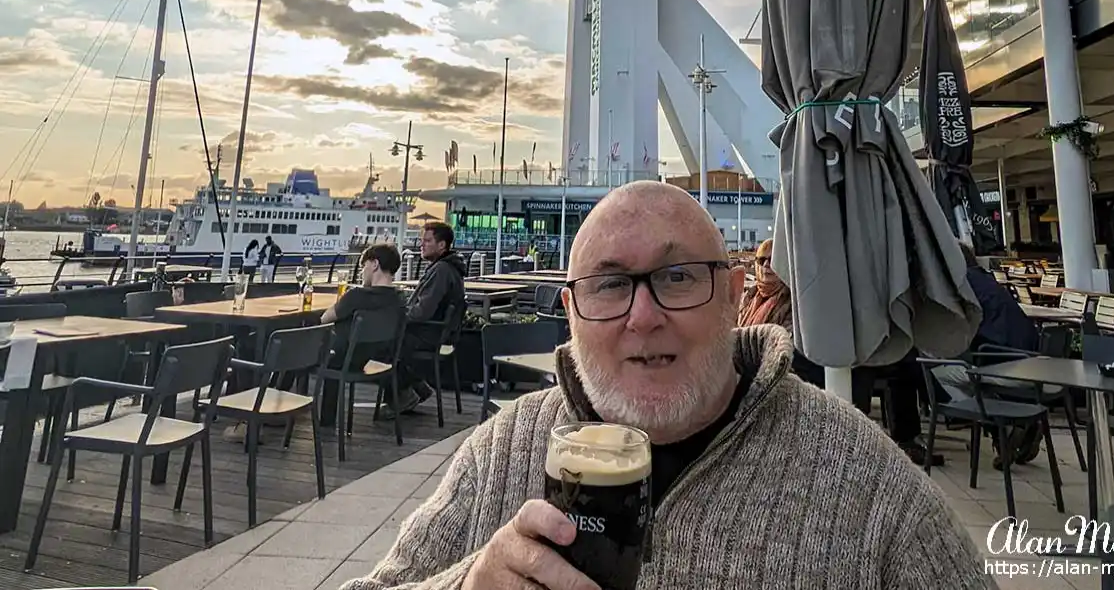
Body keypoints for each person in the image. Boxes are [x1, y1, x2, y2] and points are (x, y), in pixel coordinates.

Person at [341, 181, 993, 590]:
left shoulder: (864, 478)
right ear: (570, 312)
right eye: (609, 284)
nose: (643, 316)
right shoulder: (500, 454)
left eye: (678, 277)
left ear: (732, 298)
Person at [742, 238, 942, 467]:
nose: (766, 266)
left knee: (890, 364)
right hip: (779, 368)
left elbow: (790, 338)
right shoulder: (752, 298)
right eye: (761, 260)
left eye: (772, 260)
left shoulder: (795, 299)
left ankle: (873, 439)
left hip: (810, 362)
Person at [933, 241, 1050, 469]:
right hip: (1032, 363)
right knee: (968, 371)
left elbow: (953, 335)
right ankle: (1010, 427)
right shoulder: (988, 281)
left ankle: (1002, 428)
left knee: (938, 372)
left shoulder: (963, 288)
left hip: (1006, 366)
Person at [380, 221, 467, 417]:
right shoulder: (447, 268)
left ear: (442, 245)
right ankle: (416, 388)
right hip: (438, 331)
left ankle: (403, 395)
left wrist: (398, 315)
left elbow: (423, 311)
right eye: (422, 240)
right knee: (388, 339)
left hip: (429, 333)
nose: (422, 244)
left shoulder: (442, 270)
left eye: (427, 241)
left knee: (383, 343)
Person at [318, 243, 405, 426]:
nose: (362, 271)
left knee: (292, 352)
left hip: (342, 360)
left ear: (374, 264)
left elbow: (324, 318)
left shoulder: (357, 295)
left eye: (364, 265)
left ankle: (277, 407)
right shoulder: (399, 299)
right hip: (374, 360)